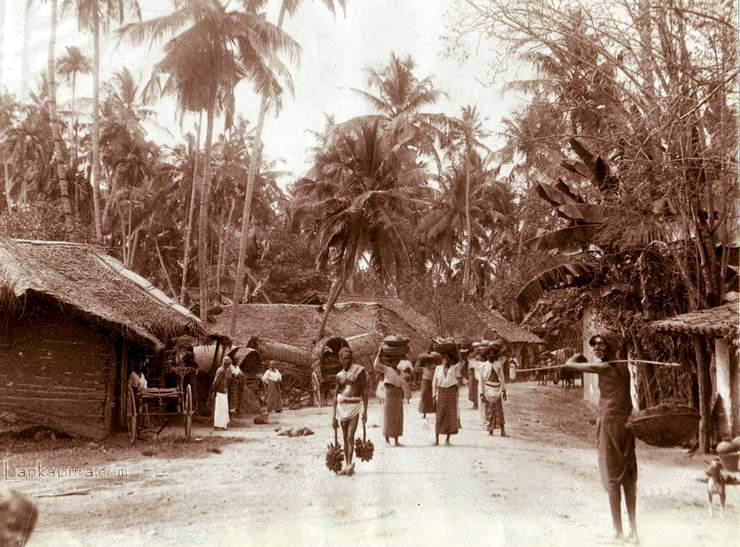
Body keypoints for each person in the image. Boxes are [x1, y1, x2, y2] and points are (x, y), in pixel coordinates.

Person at [563, 334, 638, 544]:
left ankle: (619, 531)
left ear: (610, 346)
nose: (596, 348)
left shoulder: (605, 368)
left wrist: (578, 355)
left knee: (613, 475)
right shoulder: (624, 368)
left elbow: (570, 365)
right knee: (628, 475)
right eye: (594, 344)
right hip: (626, 424)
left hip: (611, 424)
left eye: (601, 344)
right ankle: (633, 530)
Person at [331, 347, 368, 476]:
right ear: (340, 359)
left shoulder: (359, 371)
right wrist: (333, 417)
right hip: (342, 409)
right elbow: (335, 396)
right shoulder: (339, 376)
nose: (347, 360)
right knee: (345, 437)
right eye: (344, 358)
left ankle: (349, 464)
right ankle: (347, 464)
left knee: (350, 436)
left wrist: (365, 412)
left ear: (352, 359)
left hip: (354, 407)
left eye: (349, 358)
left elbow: (364, 392)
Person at [373, 348, 405, 446]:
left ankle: (396, 440)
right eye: (394, 361)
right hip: (390, 393)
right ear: (391, 362)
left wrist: (402, 391)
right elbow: (376, 365)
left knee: (398, 417)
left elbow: (402, 382)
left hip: (398, 394)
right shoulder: (387, 369)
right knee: (388, 416)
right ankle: (387, 440)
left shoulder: (400, 371)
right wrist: (379, 353)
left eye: (397, 361)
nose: (396, 363)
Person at [432, 353, 463, 445]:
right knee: (439, 415)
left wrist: (460, 357)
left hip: (451, 393)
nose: (445, 361)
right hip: (441, 392)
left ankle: (447, 439)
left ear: (449, 360)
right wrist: (434, 395)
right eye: (443, 359)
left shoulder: (454, 368)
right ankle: (437, 440)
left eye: (447, 359)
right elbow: (434, 382)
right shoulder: (438, 368)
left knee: (450, 416)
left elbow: (462, 363)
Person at [481, 345, 507, 437]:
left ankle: (502, 430)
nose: (491, 356)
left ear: (495, 355)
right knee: (489, 410)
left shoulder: (498, 365)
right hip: (488, 389)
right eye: (489, 354)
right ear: (487, 356)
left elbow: (502, 378)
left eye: (493, 354)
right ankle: (490, 430)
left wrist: (504, 390)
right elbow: (481, 380)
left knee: (499, 410)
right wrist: (481, 393)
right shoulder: (483, 366)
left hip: (497, 389)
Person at [210, 356, 231, 431]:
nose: (228, 366)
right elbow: (216, 382)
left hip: (223, 392)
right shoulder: (221, 370)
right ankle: (218, 425)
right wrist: (213, 391)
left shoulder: (224, 370)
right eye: (228, 364)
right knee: (220, 409)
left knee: (223, 409)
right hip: (220, 392)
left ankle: (222, 425)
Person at [417, 353, 438, 418]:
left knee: (433, 396)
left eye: (429, 362)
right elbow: (415, 368)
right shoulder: (423, 368)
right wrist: (418, 361)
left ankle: (435, 412)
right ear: (425, 363)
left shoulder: (435, 367)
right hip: (425, 382)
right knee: (424, 396)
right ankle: (424, 413)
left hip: (432, 382)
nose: (428, 364)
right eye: (427, 363)